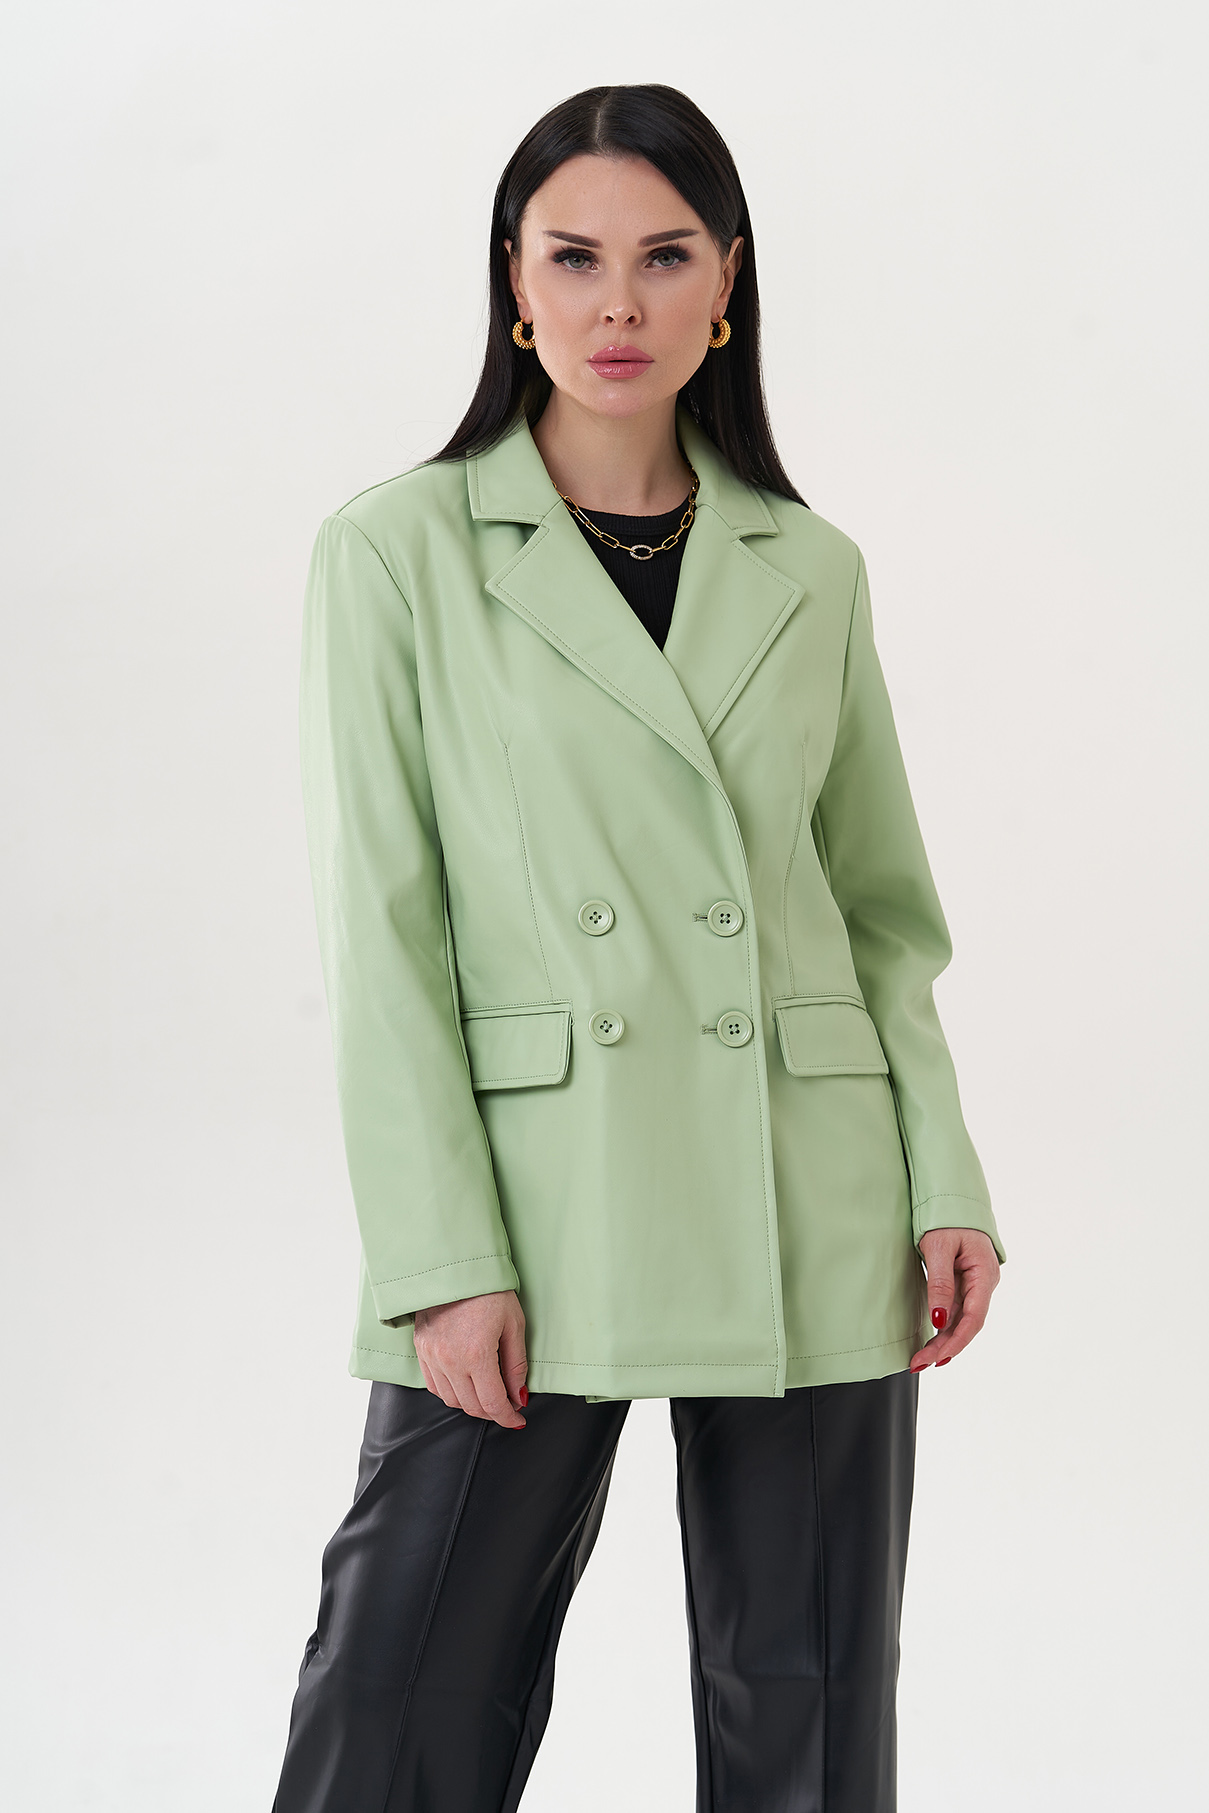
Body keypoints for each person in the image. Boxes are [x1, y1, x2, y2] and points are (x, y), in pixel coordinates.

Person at [271, 82, 1005, 1813]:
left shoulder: (808, 565)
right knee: (400, 1696)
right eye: (574, 258)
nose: (619, 304)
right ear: (511, 282)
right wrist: (439, 1253)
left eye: (665, 258)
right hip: (537, 1196)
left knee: (807, 1712)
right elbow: (383, 932)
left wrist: (941, 1175)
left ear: (726, 283)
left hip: (806, 1188)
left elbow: (878, 913)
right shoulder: (396, 552)